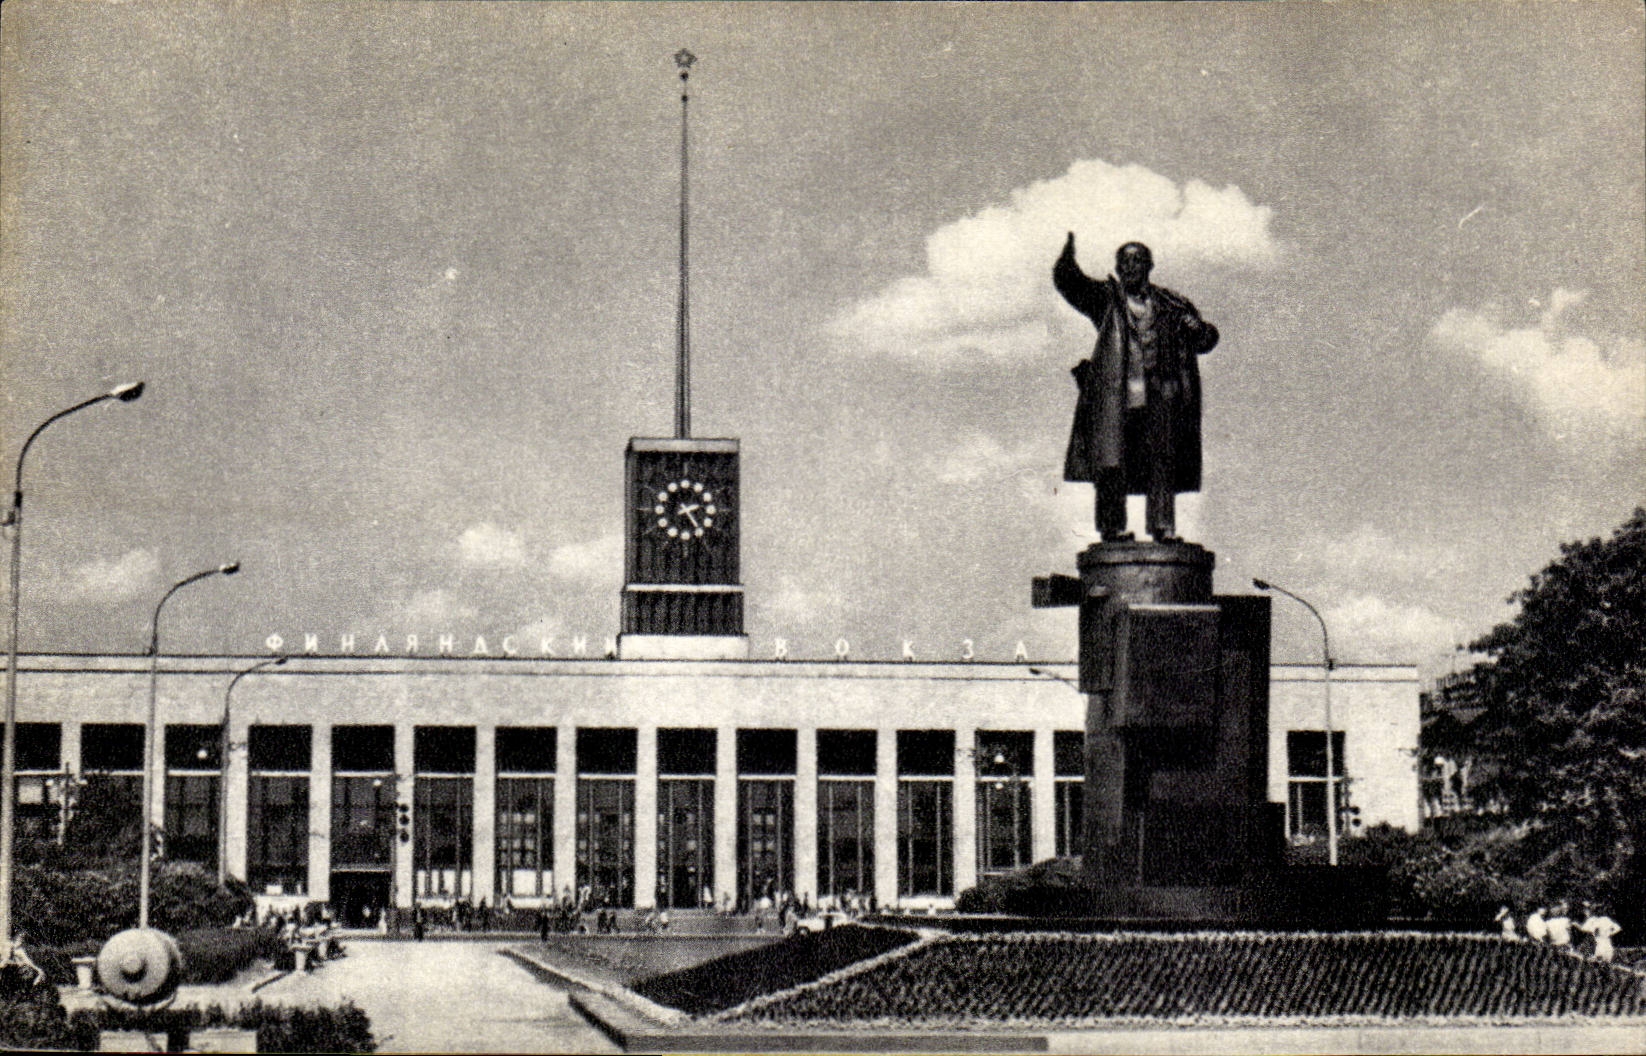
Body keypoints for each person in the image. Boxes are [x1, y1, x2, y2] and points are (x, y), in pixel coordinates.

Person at [1054, 234, 1219, 543]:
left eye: (1137, 260)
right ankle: (1112, 528)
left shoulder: (1171, 304)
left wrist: (1199, 329)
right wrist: (1066, 258)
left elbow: (1205, 340)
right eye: (1124, 261)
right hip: (1116, 400)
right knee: (1111, 464)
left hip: (1160, 398)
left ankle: (1162, 527)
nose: (1130, 267)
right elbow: (1071, 285)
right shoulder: (1105, 299)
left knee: (1162, 461)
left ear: (1150, 266)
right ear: (1117, 268)